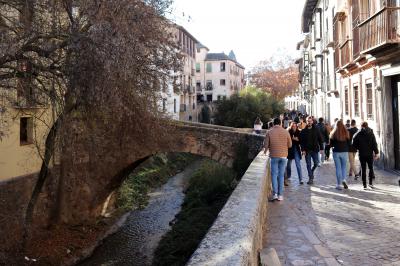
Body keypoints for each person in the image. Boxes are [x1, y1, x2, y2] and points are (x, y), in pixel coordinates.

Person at [264, 118, 292, 201]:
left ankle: (275, 194)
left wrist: (265, 151)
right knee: (281, 175)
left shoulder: (269, 132)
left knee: (274, 175)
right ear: (280, 123)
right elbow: (290, 145)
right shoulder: (286, 131)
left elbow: (266, 145)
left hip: (274, 156)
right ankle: (280, 195)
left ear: (273, 124)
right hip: (283, 156)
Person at [352, 122, 379, 189]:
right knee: (371, 168)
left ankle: (364, 185)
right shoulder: (371, 132)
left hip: (362, 153)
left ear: (361, 126)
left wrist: (358, 148)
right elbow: (374, 143)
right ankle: (370, 183)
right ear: (367, 126)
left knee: (363, 169)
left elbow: (354, 143)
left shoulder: (358, 133)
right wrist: (376, 152)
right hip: (370, 153)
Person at [300, 116, 324, 185]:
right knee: (308, 164)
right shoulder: (303, 131)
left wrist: (322, 148)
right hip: (307, 151)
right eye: (308, 121)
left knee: (316, 163)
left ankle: (311, 172)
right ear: (306, 122)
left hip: (315, 150)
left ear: (312, 122)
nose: (309, 122)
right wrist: (303, 150)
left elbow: (320, 139)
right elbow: (302, 142)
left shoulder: (316, 129)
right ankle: (310, 178)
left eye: (310, 121)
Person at [330, 120, 351, 190]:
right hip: (344, 151)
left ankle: (339, 184)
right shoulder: (346, 132)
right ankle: (344, 179)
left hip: (336, 152)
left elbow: (331, 144)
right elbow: (349, 143)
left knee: (338, 168)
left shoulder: (333, 133)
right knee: (344, 167)